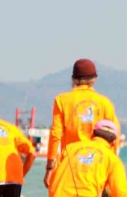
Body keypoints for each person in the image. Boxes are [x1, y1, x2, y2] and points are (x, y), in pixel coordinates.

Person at [44, 58, 119, 186]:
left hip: (69, 164)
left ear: (74, 79)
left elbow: (55, 134)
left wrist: (50, 168)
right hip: (96, 163)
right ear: (95, 79)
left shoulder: (61, 100)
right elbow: (114, 137)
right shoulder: (105, 103)